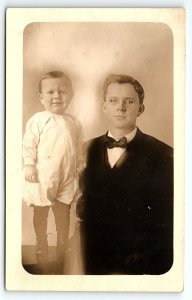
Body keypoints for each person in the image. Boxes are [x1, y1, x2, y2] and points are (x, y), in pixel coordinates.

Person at [79, 74, 173, 275]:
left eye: (128, 101)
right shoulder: (87, 148)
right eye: (113, 101)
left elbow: (165, 217)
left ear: (140, 108)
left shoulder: (162, 153)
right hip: (92, 259)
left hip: (139, 261)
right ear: (104, 106)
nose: (120, 107)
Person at [22, 71, 83, 273]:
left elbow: (78, 147)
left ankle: (62, 250)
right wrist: (29, 164)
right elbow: (29, 144)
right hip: (43, 177)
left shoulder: (74, 123)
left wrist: (80, 166)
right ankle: (41, 246)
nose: (57, 96)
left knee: (63, 216)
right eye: (50, 92)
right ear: (41, 98)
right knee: (40, 213)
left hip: (66, 177)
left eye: (62, 91)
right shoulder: (38, 120)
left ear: (71, 95)